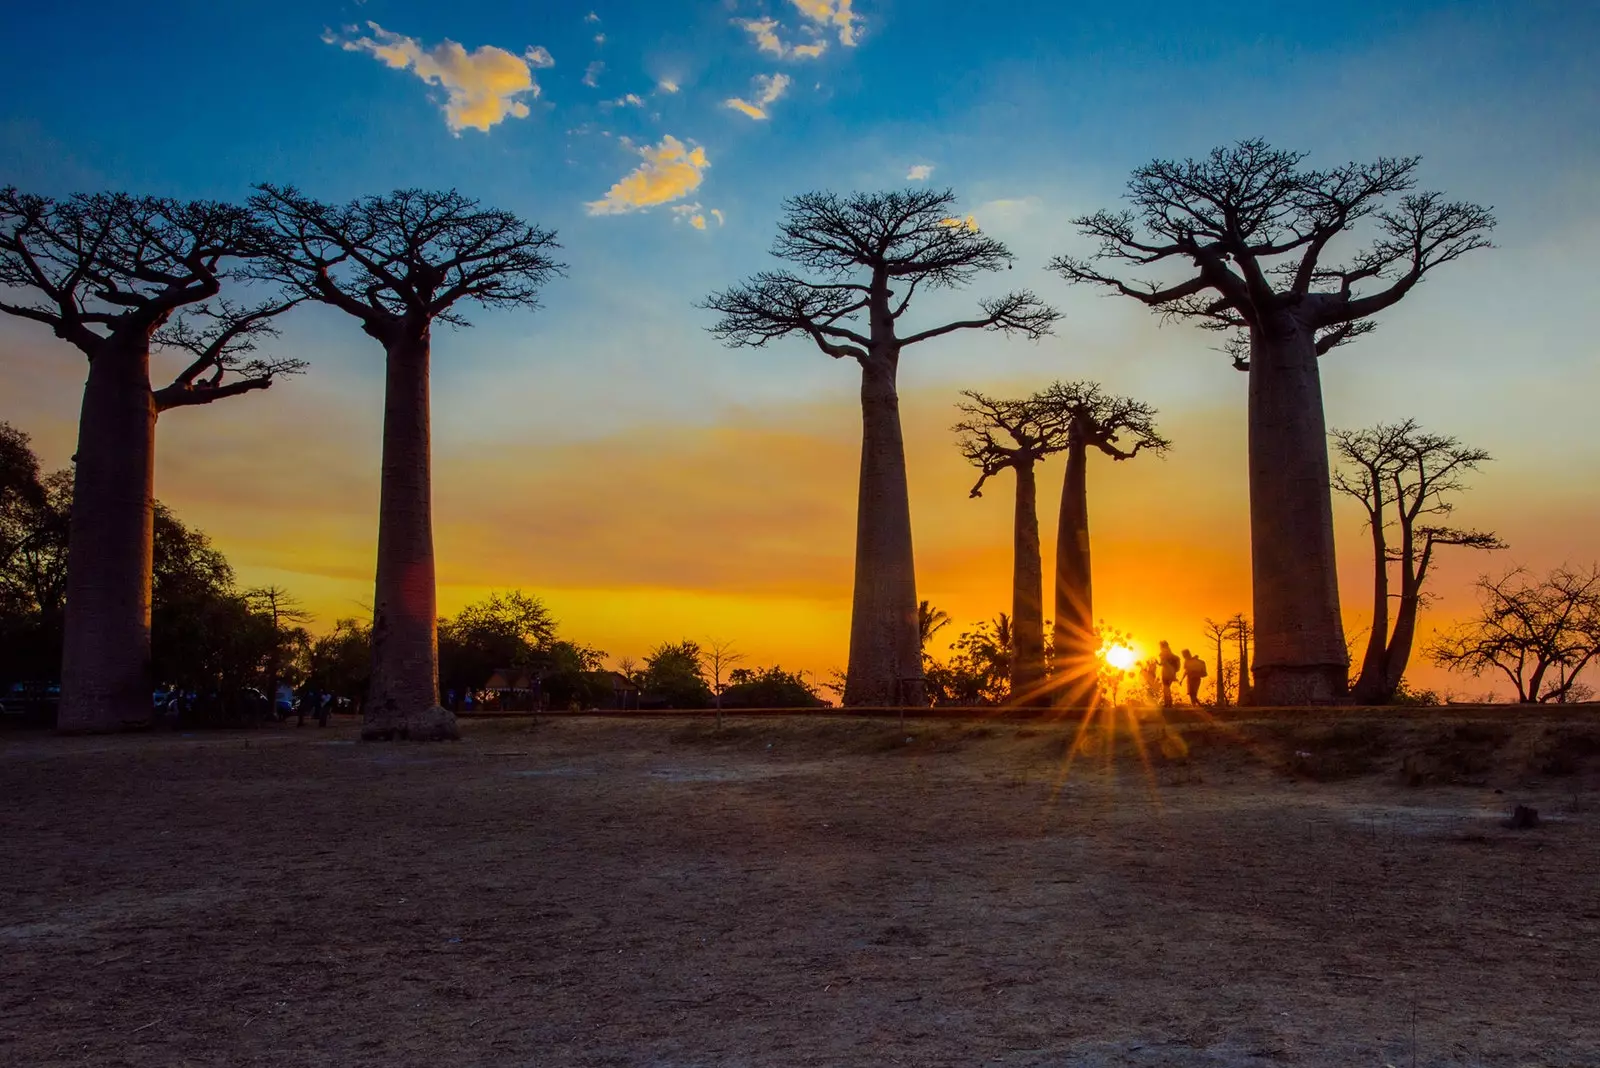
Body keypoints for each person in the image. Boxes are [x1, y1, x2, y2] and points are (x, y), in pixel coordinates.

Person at [1157, 641, 1180, 708]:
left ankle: (1167, 703)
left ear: (1161, 646)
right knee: (1167, 687)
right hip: (1172, 672)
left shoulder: (1162, 653)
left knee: (1165, 688)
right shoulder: (1171, 653)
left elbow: (1162, 663)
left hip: (1166, 672)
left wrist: (1157, 663)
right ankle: (1169, 703)